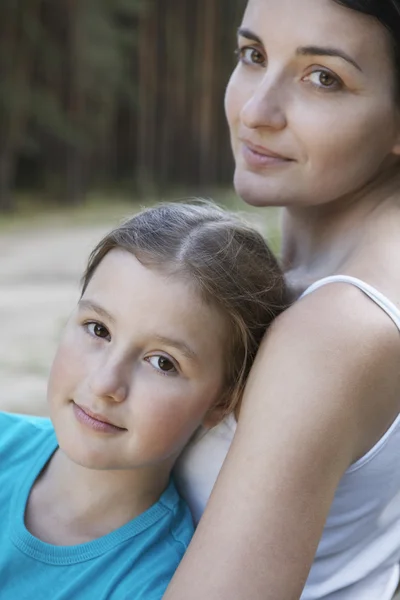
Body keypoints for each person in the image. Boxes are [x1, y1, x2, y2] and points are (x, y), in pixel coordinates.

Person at [168, 2, 400, 599]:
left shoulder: (334, 329)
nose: (255, 110)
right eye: (253, 56)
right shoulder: (323, 288)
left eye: (324, 77)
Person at [0, 202, 285, 600]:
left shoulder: (159, 584)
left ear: (222, 401)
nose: (105, 383)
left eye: (162, 363)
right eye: (98, 329)